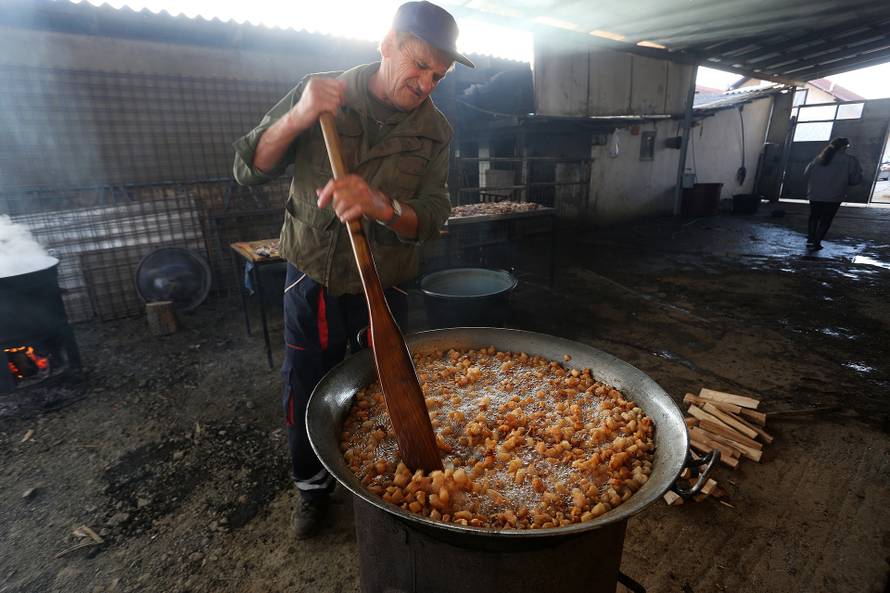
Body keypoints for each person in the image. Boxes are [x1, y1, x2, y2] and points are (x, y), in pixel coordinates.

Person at [232, 1, 473, 539]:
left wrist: (382, 205)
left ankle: (386, 484)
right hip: (314, 273)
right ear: (387, 44)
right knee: (306, 386)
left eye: (439, 75)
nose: (427, 83)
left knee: (383, 385)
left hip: (385, 284)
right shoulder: (324, 95)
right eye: (419, 66)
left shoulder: (436, 132)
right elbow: (248, 166)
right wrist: (297, 115)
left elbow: (432, 218)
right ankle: (311, 489)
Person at [803, 137, 862, 251]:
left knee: (814, 216)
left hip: (815, 193)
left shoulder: (818, 159)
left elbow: (806, 173)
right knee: (826, 219)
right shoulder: (850, 160)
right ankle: (817, 241)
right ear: (845, 147)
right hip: (834, 195)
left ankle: (810, 239)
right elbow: (855, 179)